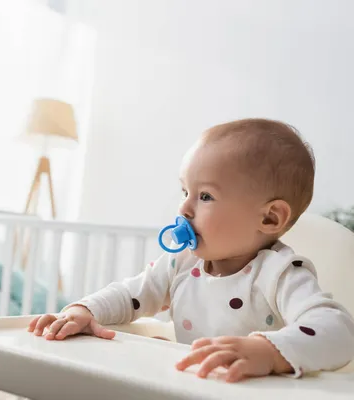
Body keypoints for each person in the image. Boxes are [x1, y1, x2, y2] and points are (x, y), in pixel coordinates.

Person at [28, 118, 354, 382]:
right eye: (185, 190)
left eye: (206, 196)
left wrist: (268, 352)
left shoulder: (279, 273)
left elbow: (337, 331)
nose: (184, 208)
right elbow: (132, 295)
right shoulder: (181, 263)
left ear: (269, 217)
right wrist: (86, 312)